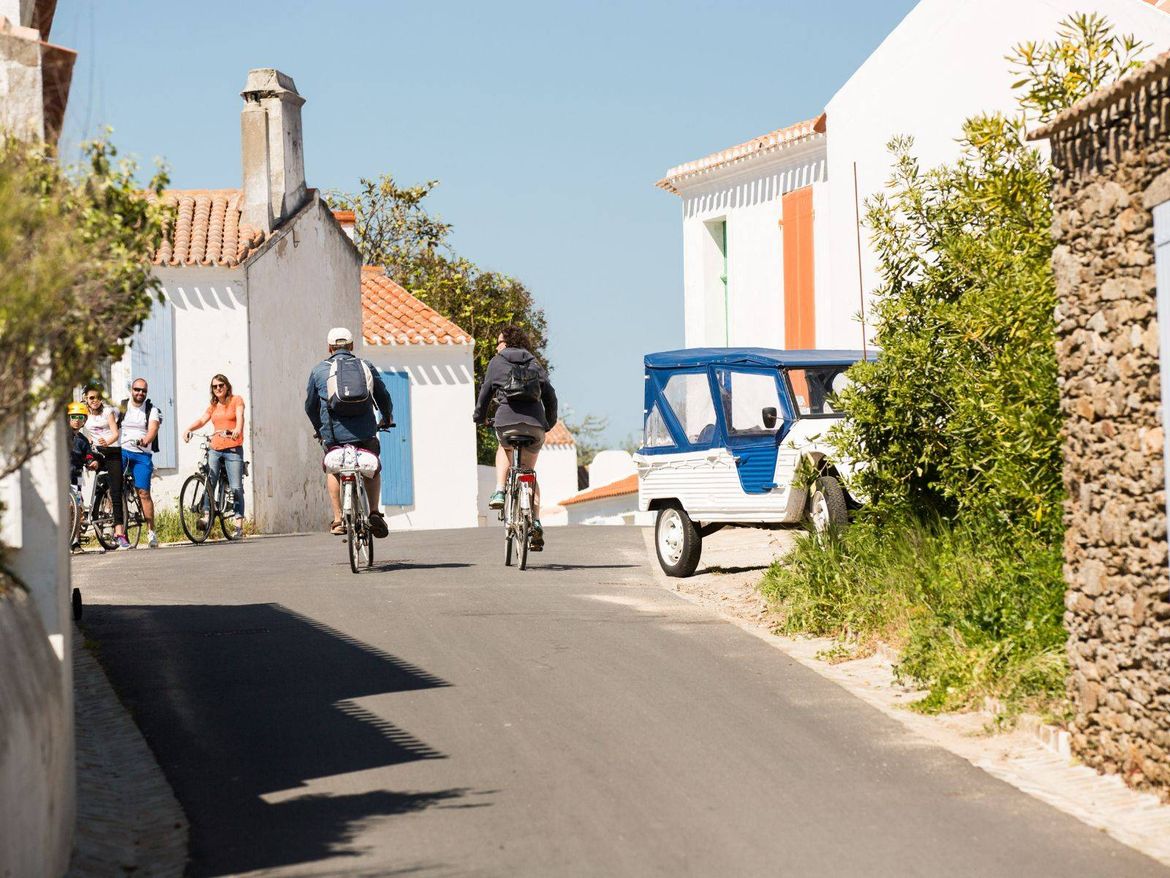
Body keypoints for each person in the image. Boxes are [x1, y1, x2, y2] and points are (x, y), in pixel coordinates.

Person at [472, 325, 557, 551]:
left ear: (506, 343)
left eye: (499, 342)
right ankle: (536, 521)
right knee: (529, 471)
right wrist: (549, 422)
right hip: (535, 425)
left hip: (506, 421)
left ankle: (500, 490)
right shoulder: (534, 363)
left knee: (503, 448)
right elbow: (550, 395)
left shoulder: (497, 362)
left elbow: (485, 393)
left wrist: (479, 416)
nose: (497, 346)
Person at [304, 327, 393, 538]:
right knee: (372, 467)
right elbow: (383, 396)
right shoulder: (365, 366)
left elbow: (310, 406)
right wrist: (387, 418)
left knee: (334, 469)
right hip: (365, 433)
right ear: (352, 346)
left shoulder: (318, 371)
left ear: (329, 347)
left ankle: (337, 519)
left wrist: (320, 429)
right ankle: (373, 512)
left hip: (333, 436)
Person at [184, 374, 246, 536]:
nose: (218, 388)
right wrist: (189, 429)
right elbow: (202, 420)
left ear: (227, 386)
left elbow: (239, 418)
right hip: (216, 447)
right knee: (209, 481)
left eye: (220, 385)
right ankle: (206, 515)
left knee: (236, 487)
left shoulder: (236, 400)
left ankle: (238, 523)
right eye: (214, 386)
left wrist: (237, 430)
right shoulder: (213, 405)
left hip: (233, 448)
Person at [83, 385, 130, 549]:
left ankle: (120, 534)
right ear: (86, 399)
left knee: (116, 491)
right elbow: (81, 429)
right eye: (91, 398)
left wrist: (107, 442)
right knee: (84, 472)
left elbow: (115, 433)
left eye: (97, 397)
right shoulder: (84, 413)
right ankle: (85, 511)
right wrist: (87, 441)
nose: (95, 401)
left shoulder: (107, 412)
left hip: (112, 451)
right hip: (96, 451)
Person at [118, 377, 162, 548]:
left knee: (143, 492)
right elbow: (111, 423)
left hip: (142, 454)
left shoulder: (152, 410)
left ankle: (151, 531)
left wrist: (145, 440)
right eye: (137, 389)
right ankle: (118, 530)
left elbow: (153, 429)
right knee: (114, 488)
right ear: (132, 390)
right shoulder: (122, 406)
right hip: (122, 451)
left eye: (143, 390)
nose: (139, 393)